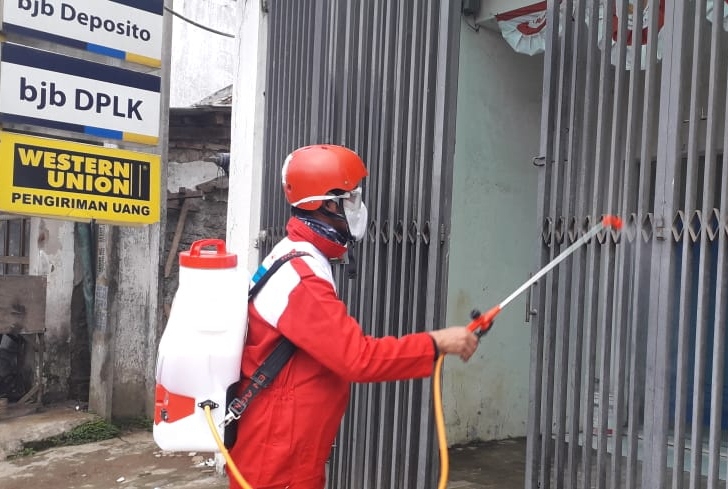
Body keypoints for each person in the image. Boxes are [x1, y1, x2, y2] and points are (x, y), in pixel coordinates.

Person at [228, 144, 479, 489]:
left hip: (286, 445)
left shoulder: (300, 256)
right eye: (352, 197)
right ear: (328, 203)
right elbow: (358, 359)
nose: (359, 207)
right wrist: (436, 343)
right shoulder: (301, 277)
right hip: (278, 456)